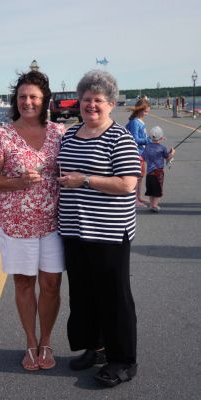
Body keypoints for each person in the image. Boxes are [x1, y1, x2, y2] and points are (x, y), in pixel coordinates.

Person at [57, 70, 141, 388]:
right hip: (74, 231)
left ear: (111, 104)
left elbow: (128, 184)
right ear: (79, 102)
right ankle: (96, 348)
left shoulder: (119, 137)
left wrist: (86, 180)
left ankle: (124, 361)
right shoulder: (70, 134)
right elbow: (61, 169)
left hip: (108, 232)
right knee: (83, 295)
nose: (91, 105)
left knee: (115, 297)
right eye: (86, 99)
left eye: (98, 100)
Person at [0, 70, 65, 371]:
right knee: (25, 283)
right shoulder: (1, 135)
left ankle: (47, 341)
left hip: (54, 223)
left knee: (52, 283)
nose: (28, 102)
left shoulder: (59, 133)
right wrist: (17, 182)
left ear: (45, 101)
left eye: (34, 97)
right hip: (16, 223)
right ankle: (31, 342)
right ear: (16, 101)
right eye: (22, 97)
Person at [141, 126, 175, 213]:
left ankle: (152, 204)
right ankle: (155, 206)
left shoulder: (147, 147)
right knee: (157, 189)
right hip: (158, 172)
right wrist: (172, 153)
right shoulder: (162, 148)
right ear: (161, 137)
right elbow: (167, 158)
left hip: (149, 173)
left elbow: (143, 158)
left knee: (151, 189)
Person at [126, 98, 152, 207]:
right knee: (136, 177)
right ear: (140, 110)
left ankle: (139, 197)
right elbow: (134, 139)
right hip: (136, 153)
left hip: (142, 153)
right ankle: (134, 199)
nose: (146, 113)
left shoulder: (139, 121)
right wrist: (147, 140)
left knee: (140, 177)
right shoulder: (135, 123)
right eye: (145, 111)